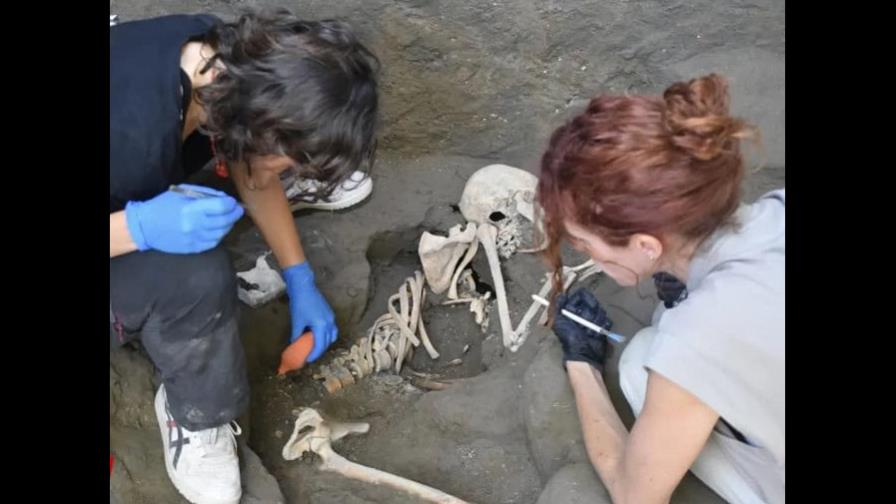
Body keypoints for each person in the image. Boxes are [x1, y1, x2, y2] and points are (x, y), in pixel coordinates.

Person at [109, 9, 379, 503]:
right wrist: (139, 227)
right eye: (295, 161)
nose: (287, 171)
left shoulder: (222, 62)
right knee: (196, 275)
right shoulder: (131, 132)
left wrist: (299, 276)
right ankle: (194, 416)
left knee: (218, 187)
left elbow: (250, 165)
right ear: (268, 129)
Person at [537, 74, 784, 503]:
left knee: (640, 362)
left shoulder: (699, 337)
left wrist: (582, 364)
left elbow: (636, 496)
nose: (590, 257)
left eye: (587, 245)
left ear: (648, 246)